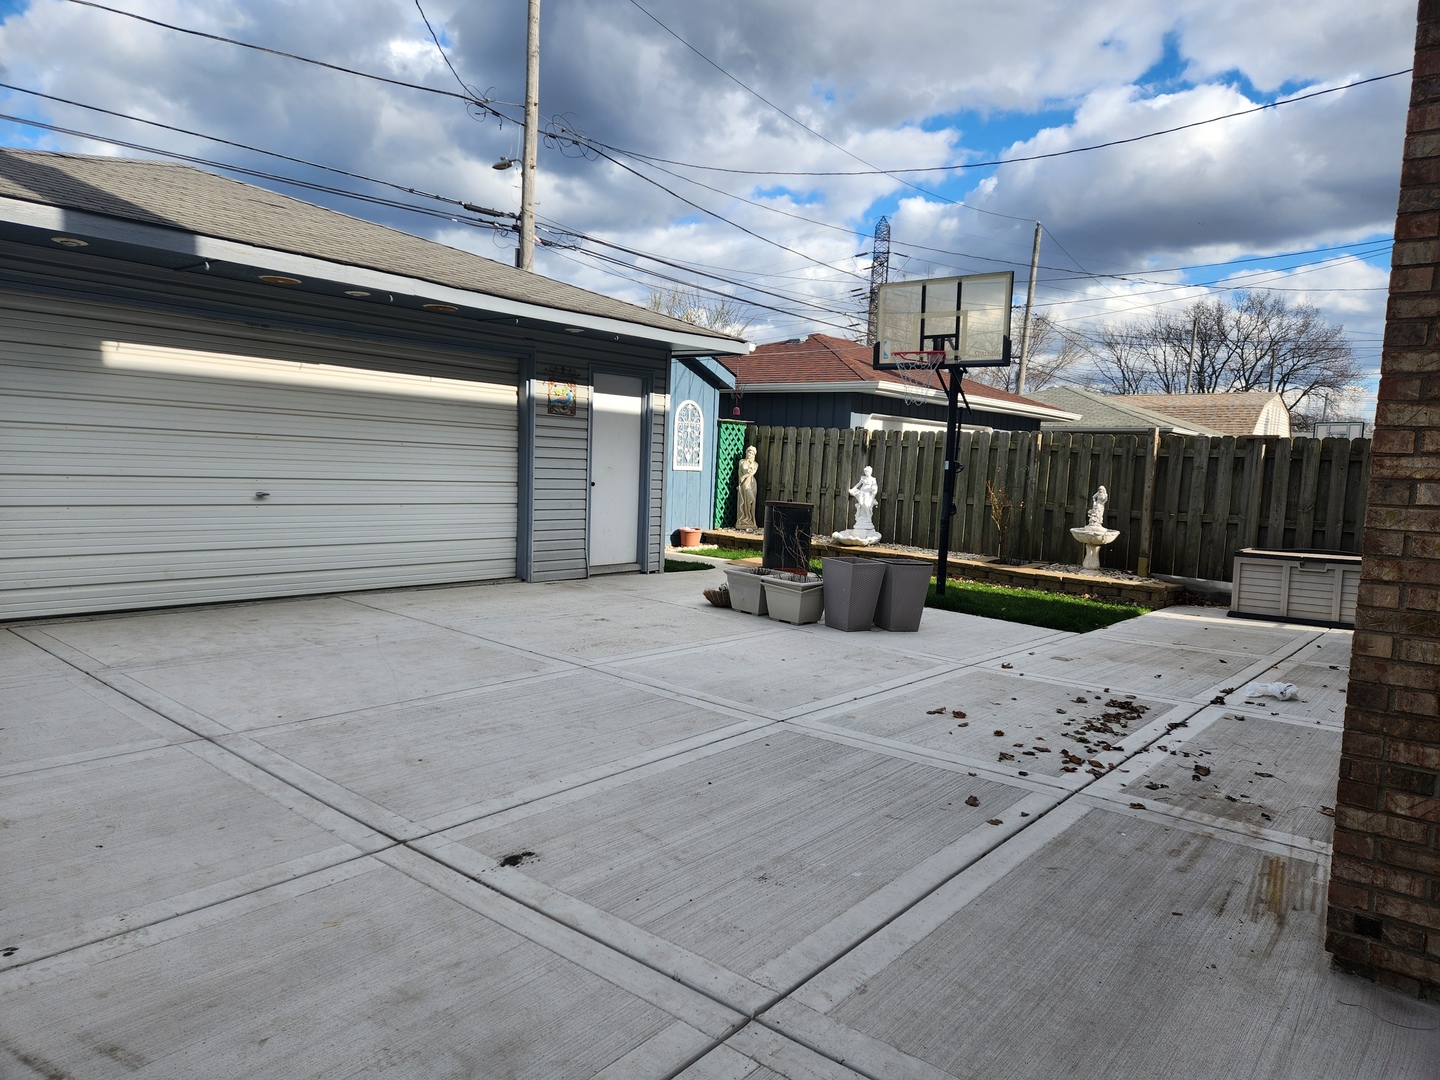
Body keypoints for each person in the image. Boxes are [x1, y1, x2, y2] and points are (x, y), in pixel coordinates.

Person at [735, 446, 759, 530]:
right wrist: (740, 482)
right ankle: (743, 519)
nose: (750, 454)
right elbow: (740, 473)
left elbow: (751, 473)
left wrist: (744, 476)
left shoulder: (755, 464)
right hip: (744, 484)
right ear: (746, 453)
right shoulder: (741, 462)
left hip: (751, 483)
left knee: (752, 500)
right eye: (749, 452)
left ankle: (752, 520)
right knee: (745, 501)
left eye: (752, 453)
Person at [849, 465, 878, 532]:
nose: (866, 473)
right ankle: (863, 517)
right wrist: (853, 489)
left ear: (870, 472)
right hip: (862, 492)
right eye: (865, 472)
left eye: (867, 472)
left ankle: (868, 517)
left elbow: (875, 486)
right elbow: (858, 484)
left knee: (866, 504)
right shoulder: (863, 478)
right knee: (861, 503)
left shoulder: (873, 479)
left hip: (868, 493)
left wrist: (874, 490)